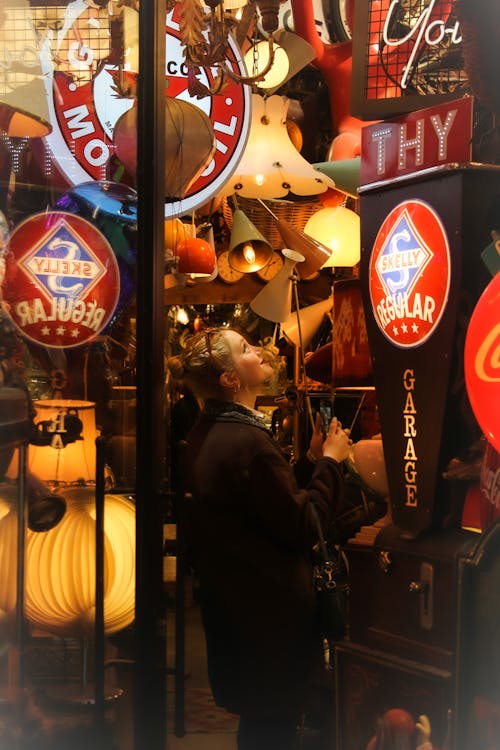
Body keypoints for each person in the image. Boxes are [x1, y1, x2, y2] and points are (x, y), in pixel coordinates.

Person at [167, 326, 351, 750]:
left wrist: (305, 466)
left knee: (262, 727)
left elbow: (267, 509)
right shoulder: (248, 442)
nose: (259, 351)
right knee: (272, 731)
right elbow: (306, 524)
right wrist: (331, 462)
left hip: (242, 614)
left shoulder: (211, 433)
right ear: (231, 379)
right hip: (271, 621)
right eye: (245, 349)